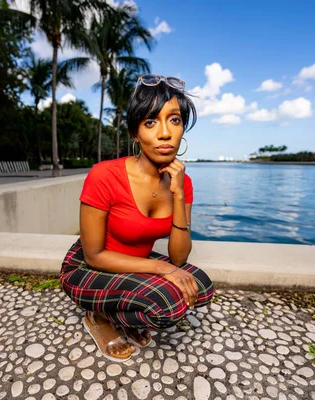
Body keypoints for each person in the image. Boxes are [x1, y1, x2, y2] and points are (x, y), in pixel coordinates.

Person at [60, 74, 215, 362]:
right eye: (151, 122)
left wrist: (179, 194)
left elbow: (178, 258)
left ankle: (125, 315)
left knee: (202, 287)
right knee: (167, 305)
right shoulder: (105, 174)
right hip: (88, 266)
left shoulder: (183, 182)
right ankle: (99, 317)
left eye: (175, 120)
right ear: (135, 133)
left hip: (134, 267)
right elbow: (94, 255)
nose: (165, 133)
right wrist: (163, 270)